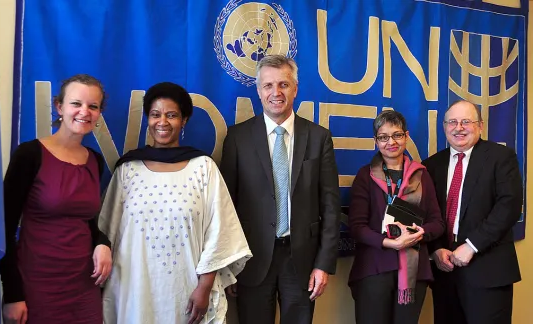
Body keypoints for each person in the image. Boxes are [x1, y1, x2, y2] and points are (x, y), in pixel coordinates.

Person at [98, 82, 251, 324]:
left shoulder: (203, 168)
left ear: (184, 120)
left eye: (172, 115)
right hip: (133, 291)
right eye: (156, 115)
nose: (163, 122)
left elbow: (220, 233)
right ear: (147, 118)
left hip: (187, 291)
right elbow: (106, 232)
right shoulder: (128, 170)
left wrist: (204, 287)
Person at [220, 54, 341, 324]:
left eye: (283, 85)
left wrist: (323, 265)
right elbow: (225, 208)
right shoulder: (237, 138)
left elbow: (331, 207)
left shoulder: (319, 138)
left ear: (295, 89)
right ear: (259, 91)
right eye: (268, 85)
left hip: (302, 260)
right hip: (250, 261)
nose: (276, 92)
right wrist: (228, 267)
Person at [0, 74, 113, 324]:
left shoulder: (95, 160)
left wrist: (103, 243)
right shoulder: (29, 155)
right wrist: (12, 295)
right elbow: (3, 229)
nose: (84, 111)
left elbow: (87, 221)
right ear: (59, 107)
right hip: (37, 286)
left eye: (93, 106)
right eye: (76, 103)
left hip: (84, 287)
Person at [423, 100, 522, 324]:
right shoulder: (431, 165)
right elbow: (428, 213)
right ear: (444, 127)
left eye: (466, 121)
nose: (459, 128)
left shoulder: (501, 157)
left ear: (480, 126)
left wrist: (471, 246)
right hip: (445, 272)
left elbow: (509, 206)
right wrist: (436, 249)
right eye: (452, 122)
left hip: (488, 271)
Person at [347, 110, 444, 324]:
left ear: (406, 136)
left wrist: (421, 234)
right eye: (383, 137)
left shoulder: (422, 175)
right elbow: (357, 226)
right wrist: (390, 243)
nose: (391, 142)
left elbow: (437, 223)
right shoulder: (366, 176)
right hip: (374, 268)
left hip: (413, 272)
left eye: (397, 135)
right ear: (376, 141)